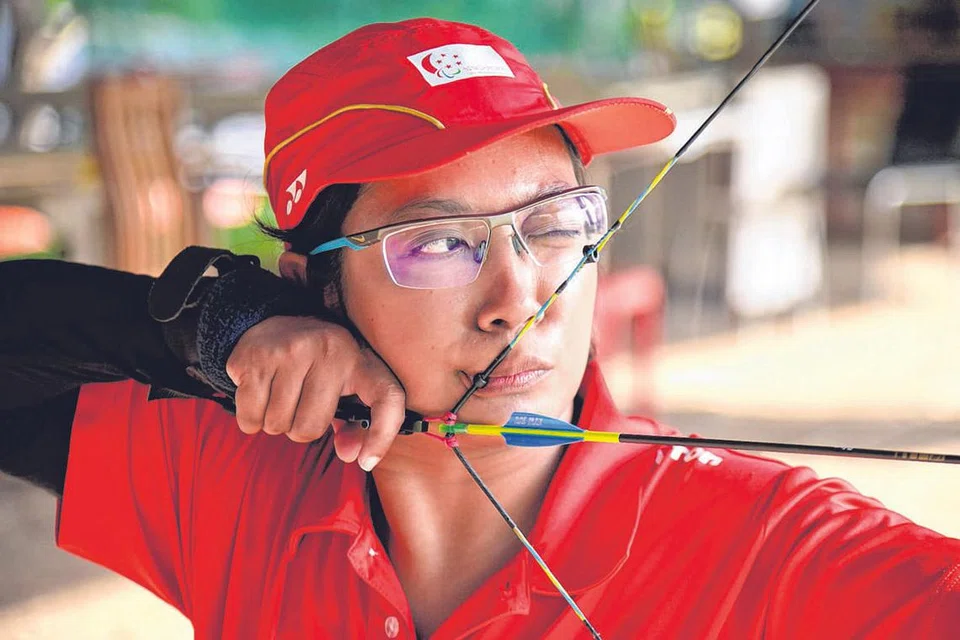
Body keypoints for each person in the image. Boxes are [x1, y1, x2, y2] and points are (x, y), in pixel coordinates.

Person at [2, 17, 959, 639]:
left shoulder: (770, 545)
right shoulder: (237, 471)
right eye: (435, 243)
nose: (520, 297)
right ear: (316, 289)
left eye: (555, 227)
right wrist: (213, 324)